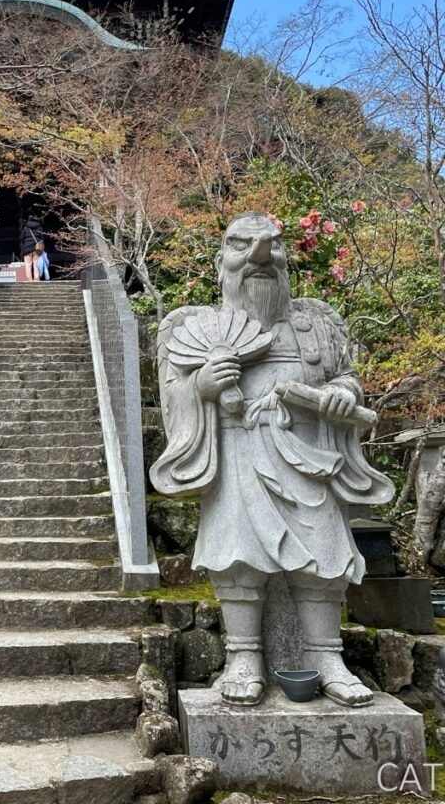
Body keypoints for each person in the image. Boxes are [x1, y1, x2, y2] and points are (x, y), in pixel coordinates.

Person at [151, 212, 395, 708]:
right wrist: (202, 386)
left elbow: (346, 376)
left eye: (273, 249)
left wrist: (343, 394)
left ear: (287, 261)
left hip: (308, 455)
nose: (260, 258)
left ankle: (328, 658)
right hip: (236, 450)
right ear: (221, 262)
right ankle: (243, 656)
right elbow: (174, 400)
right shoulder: (195, 327)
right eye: (241, 247)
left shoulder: (316, 323)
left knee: (324, 555)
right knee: (237, 554)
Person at [20, 215, 44, 281]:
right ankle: (36, 279)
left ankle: (29, 279)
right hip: (37, 249)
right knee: (36, 264)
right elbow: (42, 239)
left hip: (27, 249)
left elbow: (22, 238)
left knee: (28, 264)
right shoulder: (40, 228)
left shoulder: (25, 228)